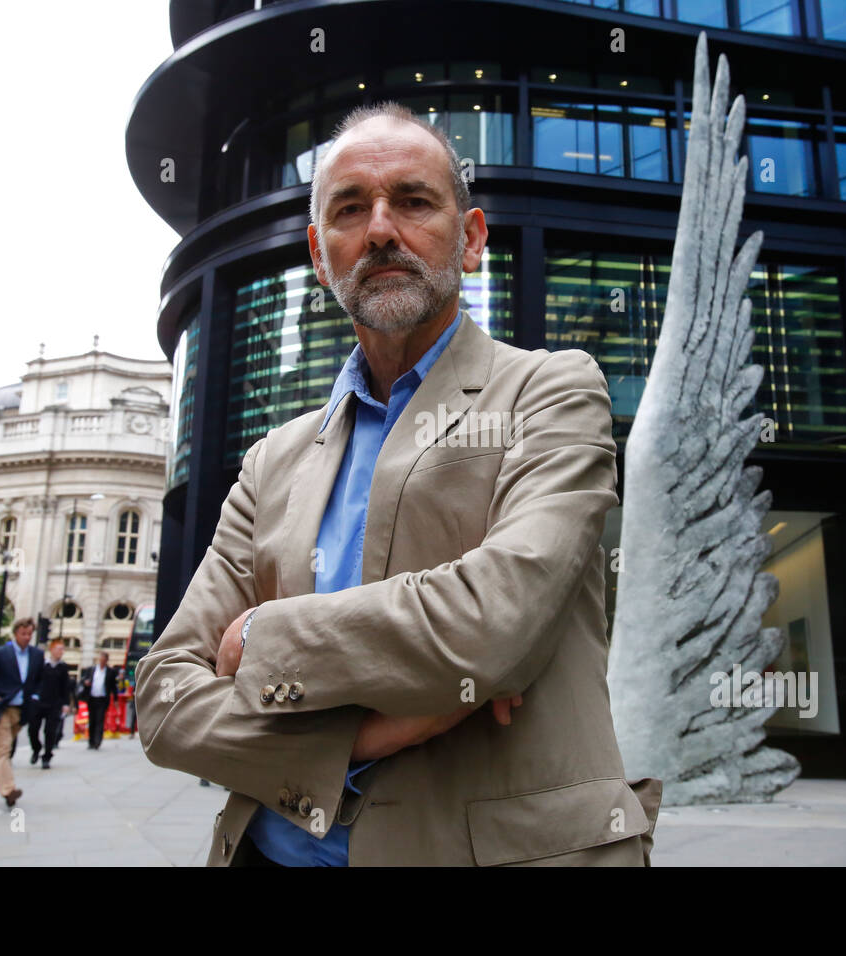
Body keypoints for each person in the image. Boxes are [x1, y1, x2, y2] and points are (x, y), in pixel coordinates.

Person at [137, 102, 662, 867]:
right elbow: (162, 699)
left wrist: (258, 638)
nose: (381, 228)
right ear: (322, 255)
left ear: (471, 238)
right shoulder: (270, 463)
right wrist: (360, 734)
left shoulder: (553, 392)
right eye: (351, 208)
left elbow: (493, 624)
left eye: (414, 201)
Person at [0, 618, 43, 808]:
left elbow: (38, 680)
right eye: (23, 634)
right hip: (1, 708)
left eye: (29, 634)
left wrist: (35, 696)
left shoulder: (36, 655)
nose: (27, 637)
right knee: (4, 748)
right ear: (15, 633)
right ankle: (8, 789)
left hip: (20, 711)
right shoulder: (0, 653)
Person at [29, 638, 72, 768]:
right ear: (51, 649)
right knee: (33, 729)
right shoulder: (42, 664)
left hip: (54, 704)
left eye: (63, 649)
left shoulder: (63, 667)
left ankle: (47, 756)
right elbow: (33, 681)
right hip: (39, 702)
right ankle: (36, 748)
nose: (61, 652)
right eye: (59, 649)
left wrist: (65, 704)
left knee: (50, 731)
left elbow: (65, 687)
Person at [79, 652, 116, 749]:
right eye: (101, 658)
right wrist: (86, 682)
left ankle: (97, 742)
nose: (102, 660)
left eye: (104, 658)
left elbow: (113, 687)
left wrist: (115, 699)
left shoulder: (110, 672)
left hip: (102, 700)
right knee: (92, 720)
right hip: (92, 698)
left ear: (106, 660)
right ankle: (91, 741)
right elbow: (83, 680)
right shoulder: (92, 670)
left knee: (100, 720)